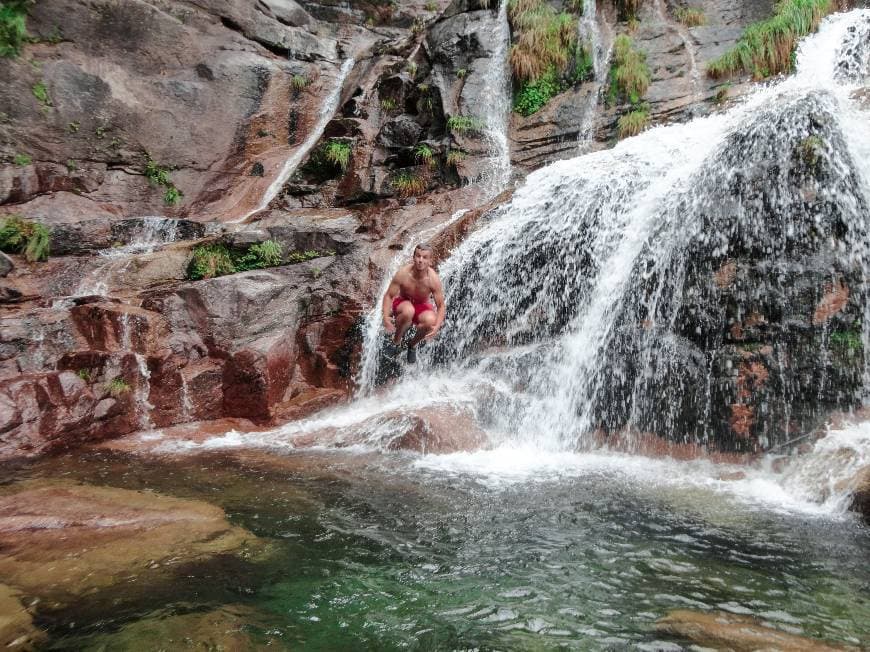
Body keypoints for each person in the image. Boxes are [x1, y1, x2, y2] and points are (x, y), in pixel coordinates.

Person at [382, 243, 446, 363]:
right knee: (408, 310)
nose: (420, 260)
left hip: (421, 306)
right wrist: (385, 316)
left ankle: (412, 345)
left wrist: (437, 326)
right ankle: (396, 342)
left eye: (424, 257)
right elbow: (389, 295)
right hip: (402, 302)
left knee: (431, 320)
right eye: (418, 256)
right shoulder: (403, 273)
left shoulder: (433, 279)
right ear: (413, 257)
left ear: (430, 261)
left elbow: (441, 306)